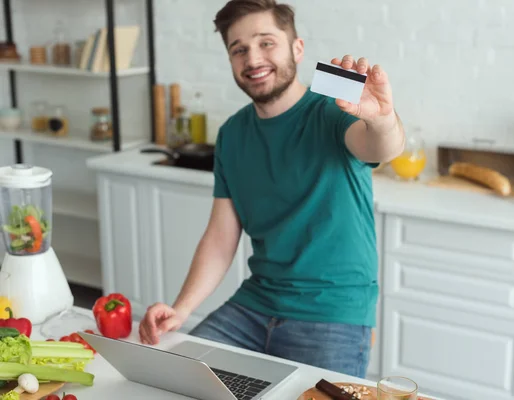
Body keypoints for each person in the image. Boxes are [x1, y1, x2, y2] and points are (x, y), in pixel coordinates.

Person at [138, 0, 405, 378]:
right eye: (239, 49)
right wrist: (180, 309)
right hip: (253, 305)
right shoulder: (232, 134)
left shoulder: (331, 110)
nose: (252, 58)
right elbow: (220, 238)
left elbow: (383, 147)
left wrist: (382, 120)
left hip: (332, 312)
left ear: (297, 48)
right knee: (175, 378)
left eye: (266, 43)